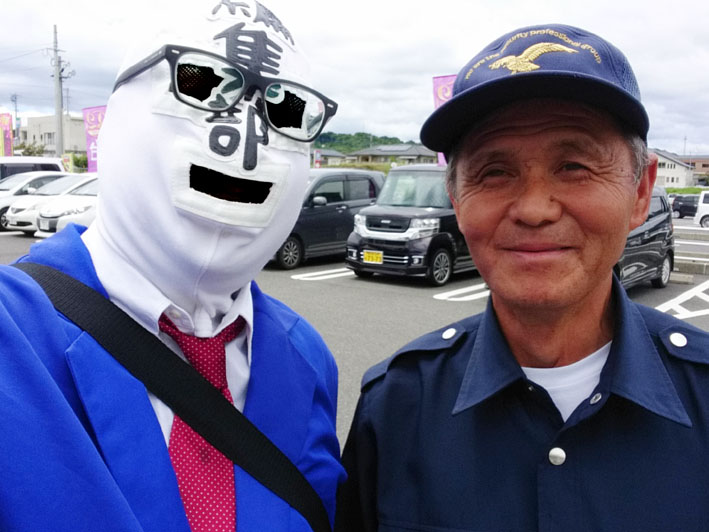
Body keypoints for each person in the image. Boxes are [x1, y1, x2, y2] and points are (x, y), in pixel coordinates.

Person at [336, 24, 709, 532]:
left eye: (574, 166)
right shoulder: (396, 407)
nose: (534, 209)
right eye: (494, 172)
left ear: (641, 193)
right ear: (456, 199)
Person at [0, 1, 344, 531]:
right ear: (119, 115)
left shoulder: (307, 357)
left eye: (289, 110)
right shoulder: (13, 331)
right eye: (203, 82)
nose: (245, 138)